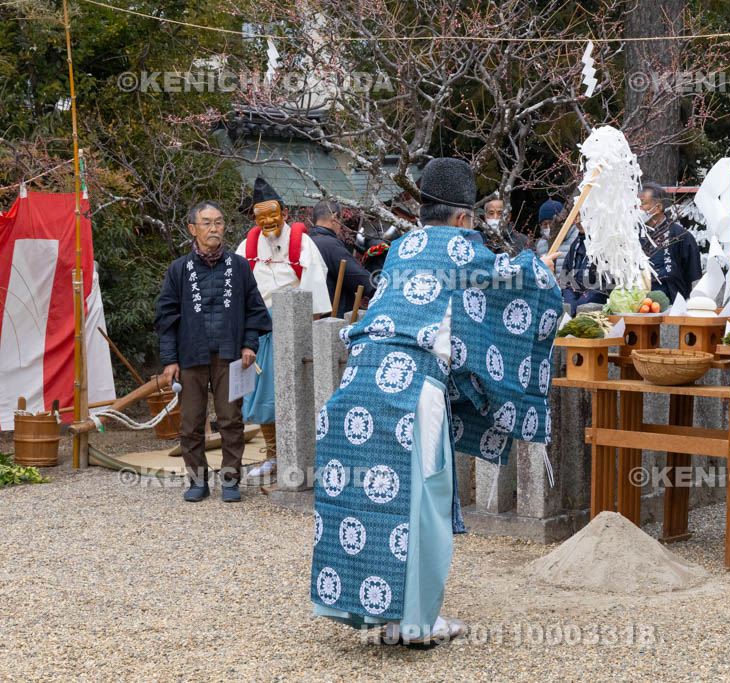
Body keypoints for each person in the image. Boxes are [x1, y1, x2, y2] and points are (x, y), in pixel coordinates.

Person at [310, 158, 562, 646]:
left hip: (357, 380)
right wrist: (542, 271)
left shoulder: (402, 248)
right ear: (464, 217)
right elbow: (519, 283)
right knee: (421, 501)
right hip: (410, 386)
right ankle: (416, 625)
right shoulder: (462, 247)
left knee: (368, 498)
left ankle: (383, 615)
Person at [155, 201, 272, 503]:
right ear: (192, 229)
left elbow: (255, 311)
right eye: (206, 223)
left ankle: (231, 481)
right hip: (190, 356)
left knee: (231, 419)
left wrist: (249, 344)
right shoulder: (179, 270)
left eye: (218, 222)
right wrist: (170, 360)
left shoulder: (240, 267)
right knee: (190, 422)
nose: (214, 228)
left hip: (230, 354)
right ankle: (197, 481)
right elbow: (166, 318)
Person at [236, 178, 332, 483]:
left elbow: (315, 290)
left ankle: (303, 455)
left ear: (285, 213)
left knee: (295, 392)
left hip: (294, 326)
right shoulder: (247, 245)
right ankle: (272, 454)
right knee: (260, 395)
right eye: (260, 216)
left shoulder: (301, 242)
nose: (267, 221)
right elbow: (237, 287)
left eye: (272, 214)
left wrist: (308, 332)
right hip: (258, 330)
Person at [308, 199, 376, 316]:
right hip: (331, 316)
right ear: (334, 217)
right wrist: (381, 287)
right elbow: (359, 277)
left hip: (312, 311)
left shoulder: (307, 241)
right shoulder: (329, 244)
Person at [638, 182, 703, 301]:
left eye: (642, 204)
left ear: (658, 208)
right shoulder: (633, 235)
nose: (638, 209)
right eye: (636, 204)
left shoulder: (681, 236)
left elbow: (694, 277)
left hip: (672, 304)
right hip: (636, 303)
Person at [560, 210, 609, 315]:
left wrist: (579, 305)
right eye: (576, 216)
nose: (578, 220)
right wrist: (571, 303)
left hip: (596, 310)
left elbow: (605, 284)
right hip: (573, 310)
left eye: (583, 215)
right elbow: (565, 276)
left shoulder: (605, 244)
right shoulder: (575, 244)